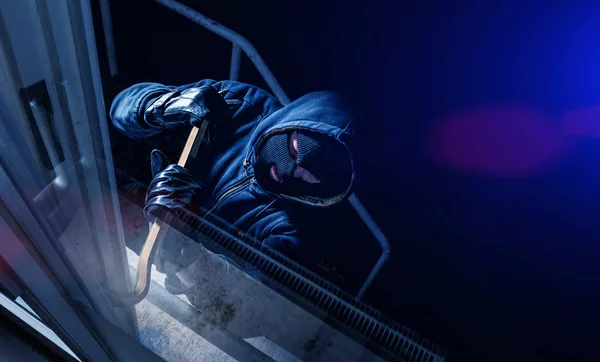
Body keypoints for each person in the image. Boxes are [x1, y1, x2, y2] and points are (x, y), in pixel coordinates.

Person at [110, 79, 355, 291]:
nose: (290, 171)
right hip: (114, 197)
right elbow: (120, 107)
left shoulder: (292, 232)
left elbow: (233, 306)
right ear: (294, 122)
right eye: (295, 148)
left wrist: (179, 248)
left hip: (155, 275)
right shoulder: (241, 104)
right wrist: (161, 107)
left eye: (309, 176)